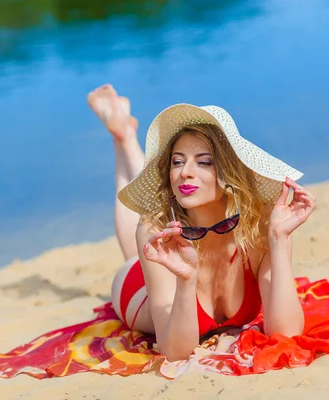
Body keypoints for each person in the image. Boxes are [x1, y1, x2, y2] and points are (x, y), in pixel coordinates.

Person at [87, 84, 316, 361]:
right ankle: (123, 139)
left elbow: (287, 334)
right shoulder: (156, 228)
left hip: (171, 254)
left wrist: (280, 240)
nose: (185, 172)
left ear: (230, 172)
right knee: (139, 238)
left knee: (148, 224)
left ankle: (124, 134)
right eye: (177, 162)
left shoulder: (261, 226)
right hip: (138, 287)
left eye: (204, 162)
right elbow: (175, 353)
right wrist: (185, 280)